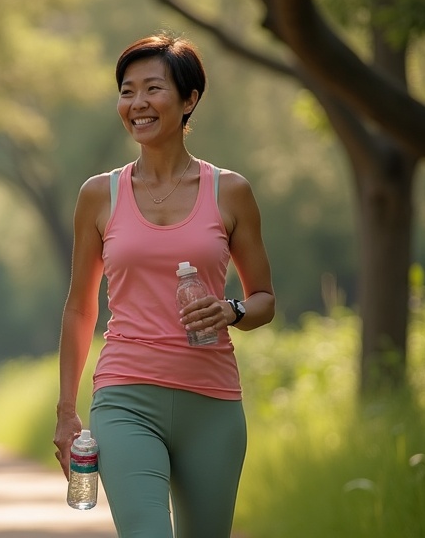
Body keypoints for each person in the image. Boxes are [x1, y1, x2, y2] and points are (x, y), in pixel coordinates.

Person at [52, 32, 275, 538]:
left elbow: (264, 300)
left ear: (189, 99)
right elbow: (80, 308)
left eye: (153, 89)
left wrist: (232, 310)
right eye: (127, 91)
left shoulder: (230, 191)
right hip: (125, 397)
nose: (137, 103)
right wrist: (67, 412)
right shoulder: (99, 195)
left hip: (212, 403)